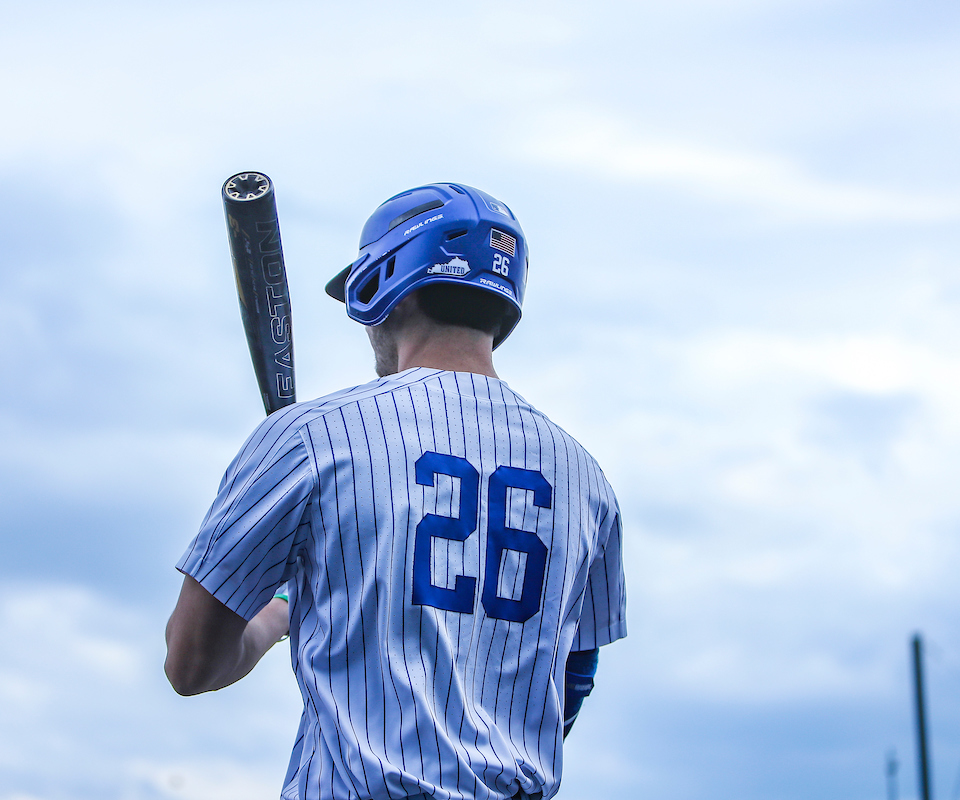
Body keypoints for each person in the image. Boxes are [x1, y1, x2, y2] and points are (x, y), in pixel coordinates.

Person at [165, 183, 626, 800]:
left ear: (382, 285)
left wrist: (279, 606)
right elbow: (577, 674)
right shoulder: (586, 480)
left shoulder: (310, 438)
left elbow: (191, 663)